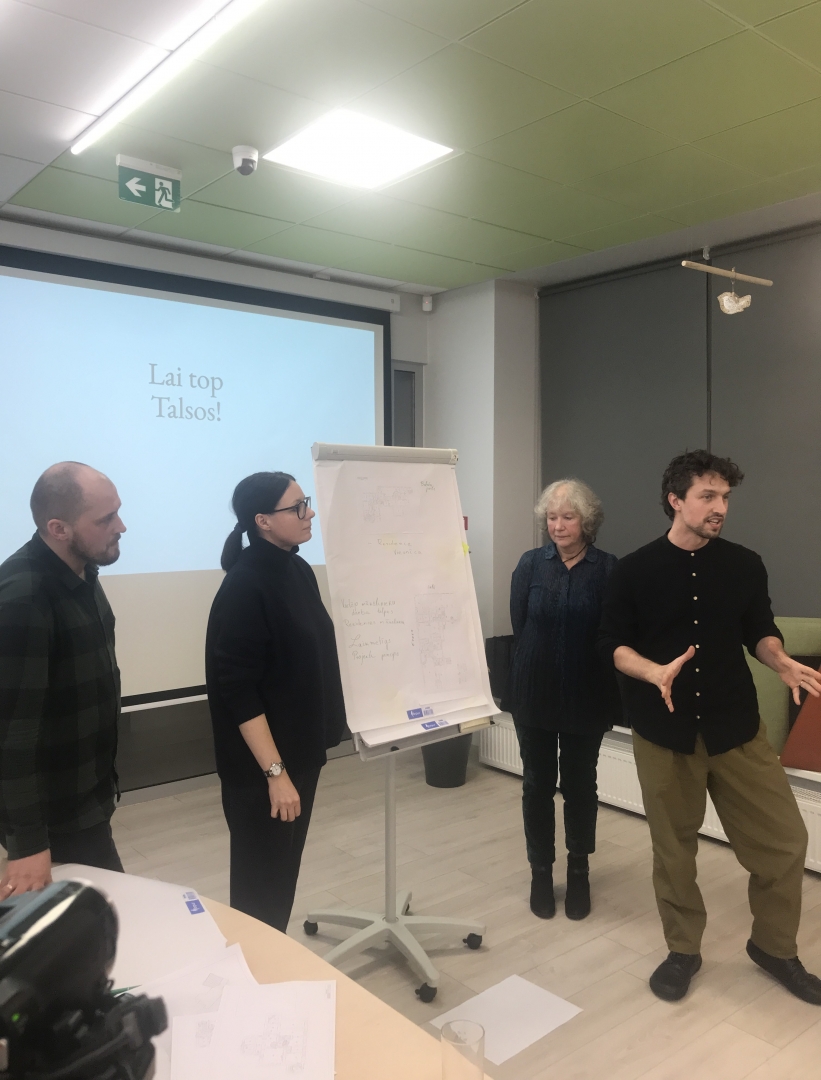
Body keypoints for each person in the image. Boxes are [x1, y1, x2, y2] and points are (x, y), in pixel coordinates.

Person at [598, 449, 821, 1003]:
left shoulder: (745, 564)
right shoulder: (633, 570)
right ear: (676, 500)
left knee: (785, 842)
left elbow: (759, 629)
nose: (720, 507)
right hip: (665, 731)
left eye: (725, 497)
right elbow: (612, 644)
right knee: (674, 850)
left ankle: (774, 948)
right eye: (708, 496)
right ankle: (683, 950)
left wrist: (779, 658)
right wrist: (653, 671)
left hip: (735, 728)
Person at [205, 472, 346, 933]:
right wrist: (276, 774)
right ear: (262, 520)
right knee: (259, 888)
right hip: (264, 770)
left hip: (300, 755)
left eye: (307, 502)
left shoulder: (297, 570)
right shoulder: (245, 586)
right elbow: (238, 691)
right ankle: (252, 968)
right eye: (297, 507)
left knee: (282, 875)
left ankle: (271, 963)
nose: (310, 513)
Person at [0, 462, 126, 897]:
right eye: (106, 519)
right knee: (97, 921)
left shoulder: (83, 572)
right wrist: (28, 844)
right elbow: (12, 735)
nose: (121, 526)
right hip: (55, 819)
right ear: (58, 528)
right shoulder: (24, 597)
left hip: (87, 800)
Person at [502, 479, 621, 921]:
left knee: (579, 785)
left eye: (567, 517)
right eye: (551, 517)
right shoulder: (530, 564)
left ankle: (579, 870)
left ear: (586, 521)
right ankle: (540, 872)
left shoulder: (607, 569)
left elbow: (611, 632)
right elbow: (520, 624)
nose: (558, 526)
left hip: (586, 696)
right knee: (536, 785)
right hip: (533, 692)